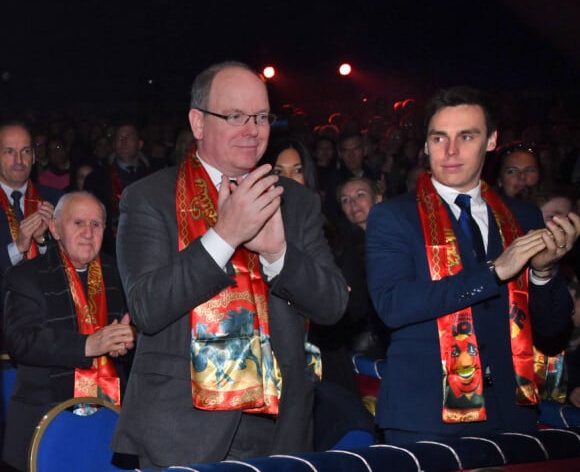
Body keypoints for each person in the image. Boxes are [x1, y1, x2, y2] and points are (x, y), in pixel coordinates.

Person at [111, 61, 348, 469]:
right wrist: (224, 237)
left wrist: (278, 254)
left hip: (282, 426)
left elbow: (333, 306)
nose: (252, 130)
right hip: (182, 428)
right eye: (235, 116)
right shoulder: (148, 198)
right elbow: (147, 308)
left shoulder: (295, 201)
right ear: (198, 123)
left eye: (260, 117)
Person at [366, 86, 578, 445]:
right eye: (439, 138)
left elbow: (553, 329)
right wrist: (495, 270)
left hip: (512, 413)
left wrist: (543, 273)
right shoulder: (393, 216)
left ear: (491, 141)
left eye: (466, 136)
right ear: (426, 144)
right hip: (425, 415)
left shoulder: (523, 217)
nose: (450, 151)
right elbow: (394, 305)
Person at [2, 192, 135, 471]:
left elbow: (138, 334)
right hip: (43, 419)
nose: (88, 233)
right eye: (78, 223)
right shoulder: (26, 276)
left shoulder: (119, 273)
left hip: (110, 420)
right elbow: (21, 341)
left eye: (97, 224)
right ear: (55, 229)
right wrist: (88, 345)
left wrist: (126, 341)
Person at [84, 122, 149, 255]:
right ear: (113, 145)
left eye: (129, 137)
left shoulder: (154, 176)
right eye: (119, 137)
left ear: (140, 144)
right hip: (111, 251)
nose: (123, 141)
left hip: (147, 247)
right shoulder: (97, 178)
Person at [0, 121, 54, 273]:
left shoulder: (54, 200)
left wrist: (42, 242)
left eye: (25, 151)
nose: (19, 160)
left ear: (34, 157)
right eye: (9, 151)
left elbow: (71, 264)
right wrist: (17, 248)